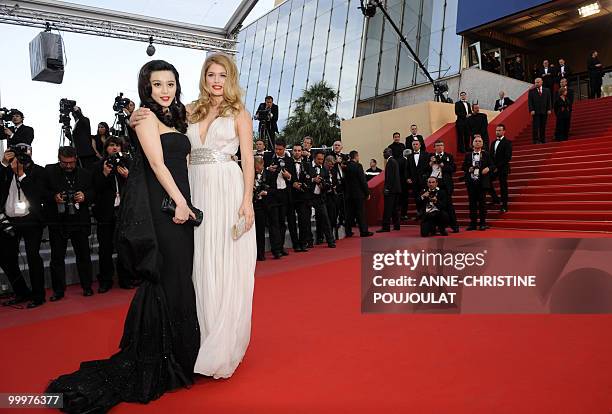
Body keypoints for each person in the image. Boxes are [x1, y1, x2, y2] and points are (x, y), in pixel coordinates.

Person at [46, 60, 201, 411]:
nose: (165, 90)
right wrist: (179, 202)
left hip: (180, 203)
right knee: (168, 277)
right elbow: (158, 165)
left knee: (179, 277)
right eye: (157, 84)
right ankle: (161, 360)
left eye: (171, 84)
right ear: (145, 87)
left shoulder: (175, 118)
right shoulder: (145, 118)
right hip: (167, 208)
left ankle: (178, 354)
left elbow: (182, 161)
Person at [178, 53, 256, 378]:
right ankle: (202, 337)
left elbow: (249, 159)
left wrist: (247, 200)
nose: (216, 81)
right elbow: (180, 155)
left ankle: (222, 345)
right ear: (204, 77)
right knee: (200, 263)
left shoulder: (239, 111)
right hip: (196, 189)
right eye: (211, 74)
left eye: (222, 75)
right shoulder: (190, 111)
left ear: (230, 78)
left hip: (227, 188)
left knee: (224, 265)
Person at [43, 146, 95, 300]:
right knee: (57, 258)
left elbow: (94, 192)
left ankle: (87, 287)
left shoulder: (85, 173)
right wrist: (54, 197)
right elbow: (41, 192)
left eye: (71, 163)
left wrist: (85, 196)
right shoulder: (49, 171)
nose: (68, 166)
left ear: (76, 158)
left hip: (80, 220)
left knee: (84, 256)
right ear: (59, 158)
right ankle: (58, 291)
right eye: (64, 163)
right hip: (58, 221)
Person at [0, 145, 46, 308]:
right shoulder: (6, 170)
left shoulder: (39, 171)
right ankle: (21, 292)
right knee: (6, 258)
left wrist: (20, 174)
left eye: (25, 152)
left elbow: (35, 195)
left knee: (33, 257)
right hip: (9, 220)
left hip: (31, 220)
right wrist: (4, 164)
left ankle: (38, 296)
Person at [91, 136, 134, 292]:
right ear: (106, 148)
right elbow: (94, 190)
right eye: (111, 145)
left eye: (117, 146)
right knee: (105, 248)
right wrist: (104, 174)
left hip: (125, 212)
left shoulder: (129, 164)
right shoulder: (97, 166)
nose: (115, 148)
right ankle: (105, 280)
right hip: (105, 214)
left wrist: (128, 177)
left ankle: (126, 278)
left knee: (125, 247)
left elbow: (136, 188)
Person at [427, 140, 458, 233]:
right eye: (437, 145)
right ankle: (435, 227)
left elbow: (453, 169)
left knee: (449, 206)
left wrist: (442, 165)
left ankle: (454, 226)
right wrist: (430, 164)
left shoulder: (449, 156)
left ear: (443, 147)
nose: (439, 147)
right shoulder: (430, 156)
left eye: (441, 145)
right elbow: (424, 169)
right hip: (432, 184)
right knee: (433, 206)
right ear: (434, 147)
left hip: (444, 184)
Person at [462, 135, 491, 231]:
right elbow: (463, 167)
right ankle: (473, 223)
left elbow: (493, 165)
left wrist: (488, 168)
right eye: (476, 141)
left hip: (482, 182)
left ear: (482, 143)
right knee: (472, 204)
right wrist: (468, 169)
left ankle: (483, 223)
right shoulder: (467, 155)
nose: (477, 142)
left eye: (479, 141)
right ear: (472, 143)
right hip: (471, 182)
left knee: (482, 204)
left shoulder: (486, 154)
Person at [343, 150, 373, 238]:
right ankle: (363, 231)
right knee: (361, 213)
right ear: (356, 156)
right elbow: (362, 180)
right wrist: (367, 192)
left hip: (348, 193)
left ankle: (348, 231)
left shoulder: (345, 166)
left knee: (349, 213)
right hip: (358, 194)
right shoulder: (358, 166)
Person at [489, 124, 512, 213]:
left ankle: (504, 205)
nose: (497, 132)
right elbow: (491, 156)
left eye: (499, 130)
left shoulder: (508, 142)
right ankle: (495, 198)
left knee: (503, 187)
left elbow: (507, 157)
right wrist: (492, 167)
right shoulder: (493, 142)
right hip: (493, 168)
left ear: (504, 131)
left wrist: (497, 167)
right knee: (486, 181)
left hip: (502, 168)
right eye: (496, 130)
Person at [377, 147, 401, 232]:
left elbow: (390, 178)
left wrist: (386, 188)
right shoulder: (394, 161)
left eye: (385, 152)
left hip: (391, 190)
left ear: (389, 153)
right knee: (394, 209)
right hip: (396, 189)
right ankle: (397, 225)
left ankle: (386, 227)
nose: (383, 154)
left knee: (387, 209)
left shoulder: (390, 162)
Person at [406, 140, 429, 219]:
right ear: (412, 146)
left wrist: (427, 177)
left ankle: (425, 213)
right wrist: (408, 178)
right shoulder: (409, 156)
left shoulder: (426, 154)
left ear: (420, 145)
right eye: (414, 144)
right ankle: (419, 213)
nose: (415, 145)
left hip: (424, 180)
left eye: (416, 144)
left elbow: (429, 168)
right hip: (414, 181)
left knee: (425, 197)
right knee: (416, 198)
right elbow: (407, 169)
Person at [528, 78, 552, 144]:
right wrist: (531, 110)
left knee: (543, 126)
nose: (536, 83)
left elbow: (549, 100)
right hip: (535, 112)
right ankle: (535, 140)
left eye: (538, 82)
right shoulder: (531, 91)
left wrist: (549, 109)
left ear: (542, 82)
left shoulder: (547, 90)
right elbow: (530, 102)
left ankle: (542, 139)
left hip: (544, 111)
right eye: (535, 82)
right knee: (535, 126)